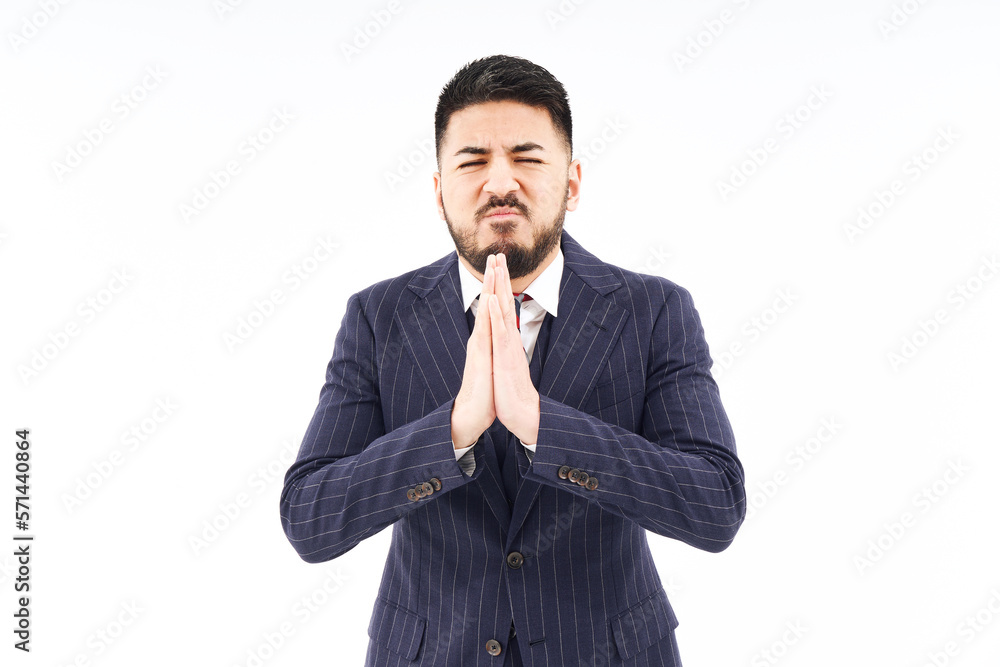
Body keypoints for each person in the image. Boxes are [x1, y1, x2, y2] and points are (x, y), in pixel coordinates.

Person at [280, 54, 746, 666]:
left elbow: (714, 505)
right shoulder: (377, 317)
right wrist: (455, 429)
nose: (500, 183)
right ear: (439, 190)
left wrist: (542, 425)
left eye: (527, 158)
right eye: (472, 161)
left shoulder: (654, 310)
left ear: (572, 183)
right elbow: (311, 518)